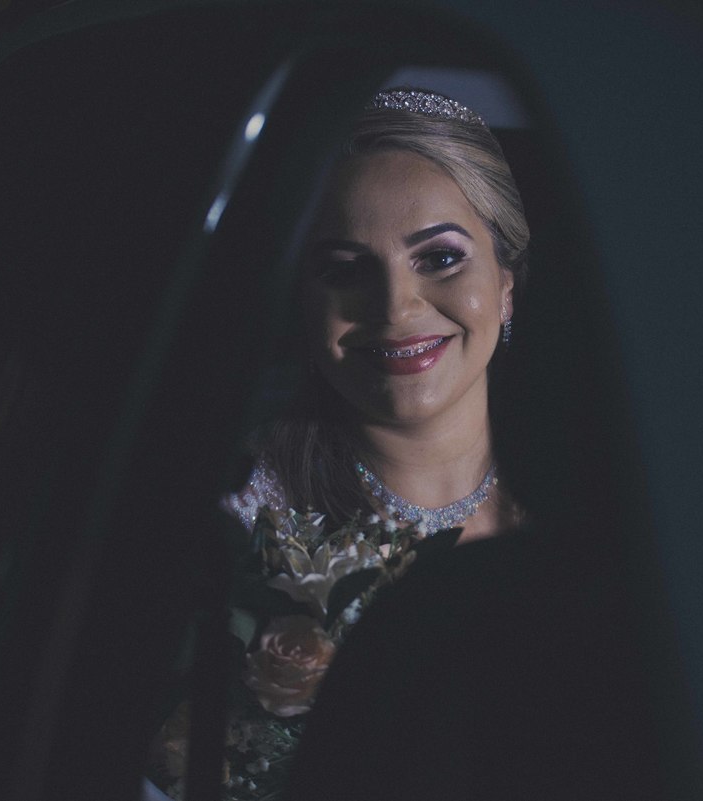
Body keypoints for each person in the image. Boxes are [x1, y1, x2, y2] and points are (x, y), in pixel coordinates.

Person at [148, 86, 532, 801]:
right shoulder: (229, 511)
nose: (394, 307)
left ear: (505, 285)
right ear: (303, 298)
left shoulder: (594, 507)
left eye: (440, 259)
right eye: (344, 269)